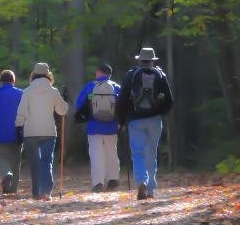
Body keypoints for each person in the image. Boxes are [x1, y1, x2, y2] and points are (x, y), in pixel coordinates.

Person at [117, 47, 174, 200]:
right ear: (152, 61)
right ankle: (150, 190)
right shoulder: (160, 75)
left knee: (137, 153)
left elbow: (122, 100)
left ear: (139, 60)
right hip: (154, 120)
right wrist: (161, 112)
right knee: (151, 153)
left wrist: (121, 121)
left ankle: (141, 181)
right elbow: (169, 100)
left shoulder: (130, 76)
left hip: (135, 121)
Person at [15, 63, 69, 200]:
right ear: (48, 74)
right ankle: (46, 192)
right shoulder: (53, 91)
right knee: (46, 161)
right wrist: (66, 100)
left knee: (35, 162)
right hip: (49, 132)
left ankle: (36, 192)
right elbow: (62, 111)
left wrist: (18, 126)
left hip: (30, 132)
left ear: (33, 74)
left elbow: (21, 111)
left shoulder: (27, 91)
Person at [75, 64, 122, 193]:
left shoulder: (91, 86)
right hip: (111, 126)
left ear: (99, 73)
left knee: (96, 154)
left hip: (93, 126)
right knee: (111, 152)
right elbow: (123, 106)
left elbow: (79, 104)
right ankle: (113, 179)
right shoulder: (116, 87)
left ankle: (98, 182)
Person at [0, 70, 23, 194]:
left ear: (1, 80)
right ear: (13, 80)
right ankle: (14, 188)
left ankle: (7, 174)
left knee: (3, 158)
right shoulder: (20, 93)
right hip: (17, 133)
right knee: (16, 161)